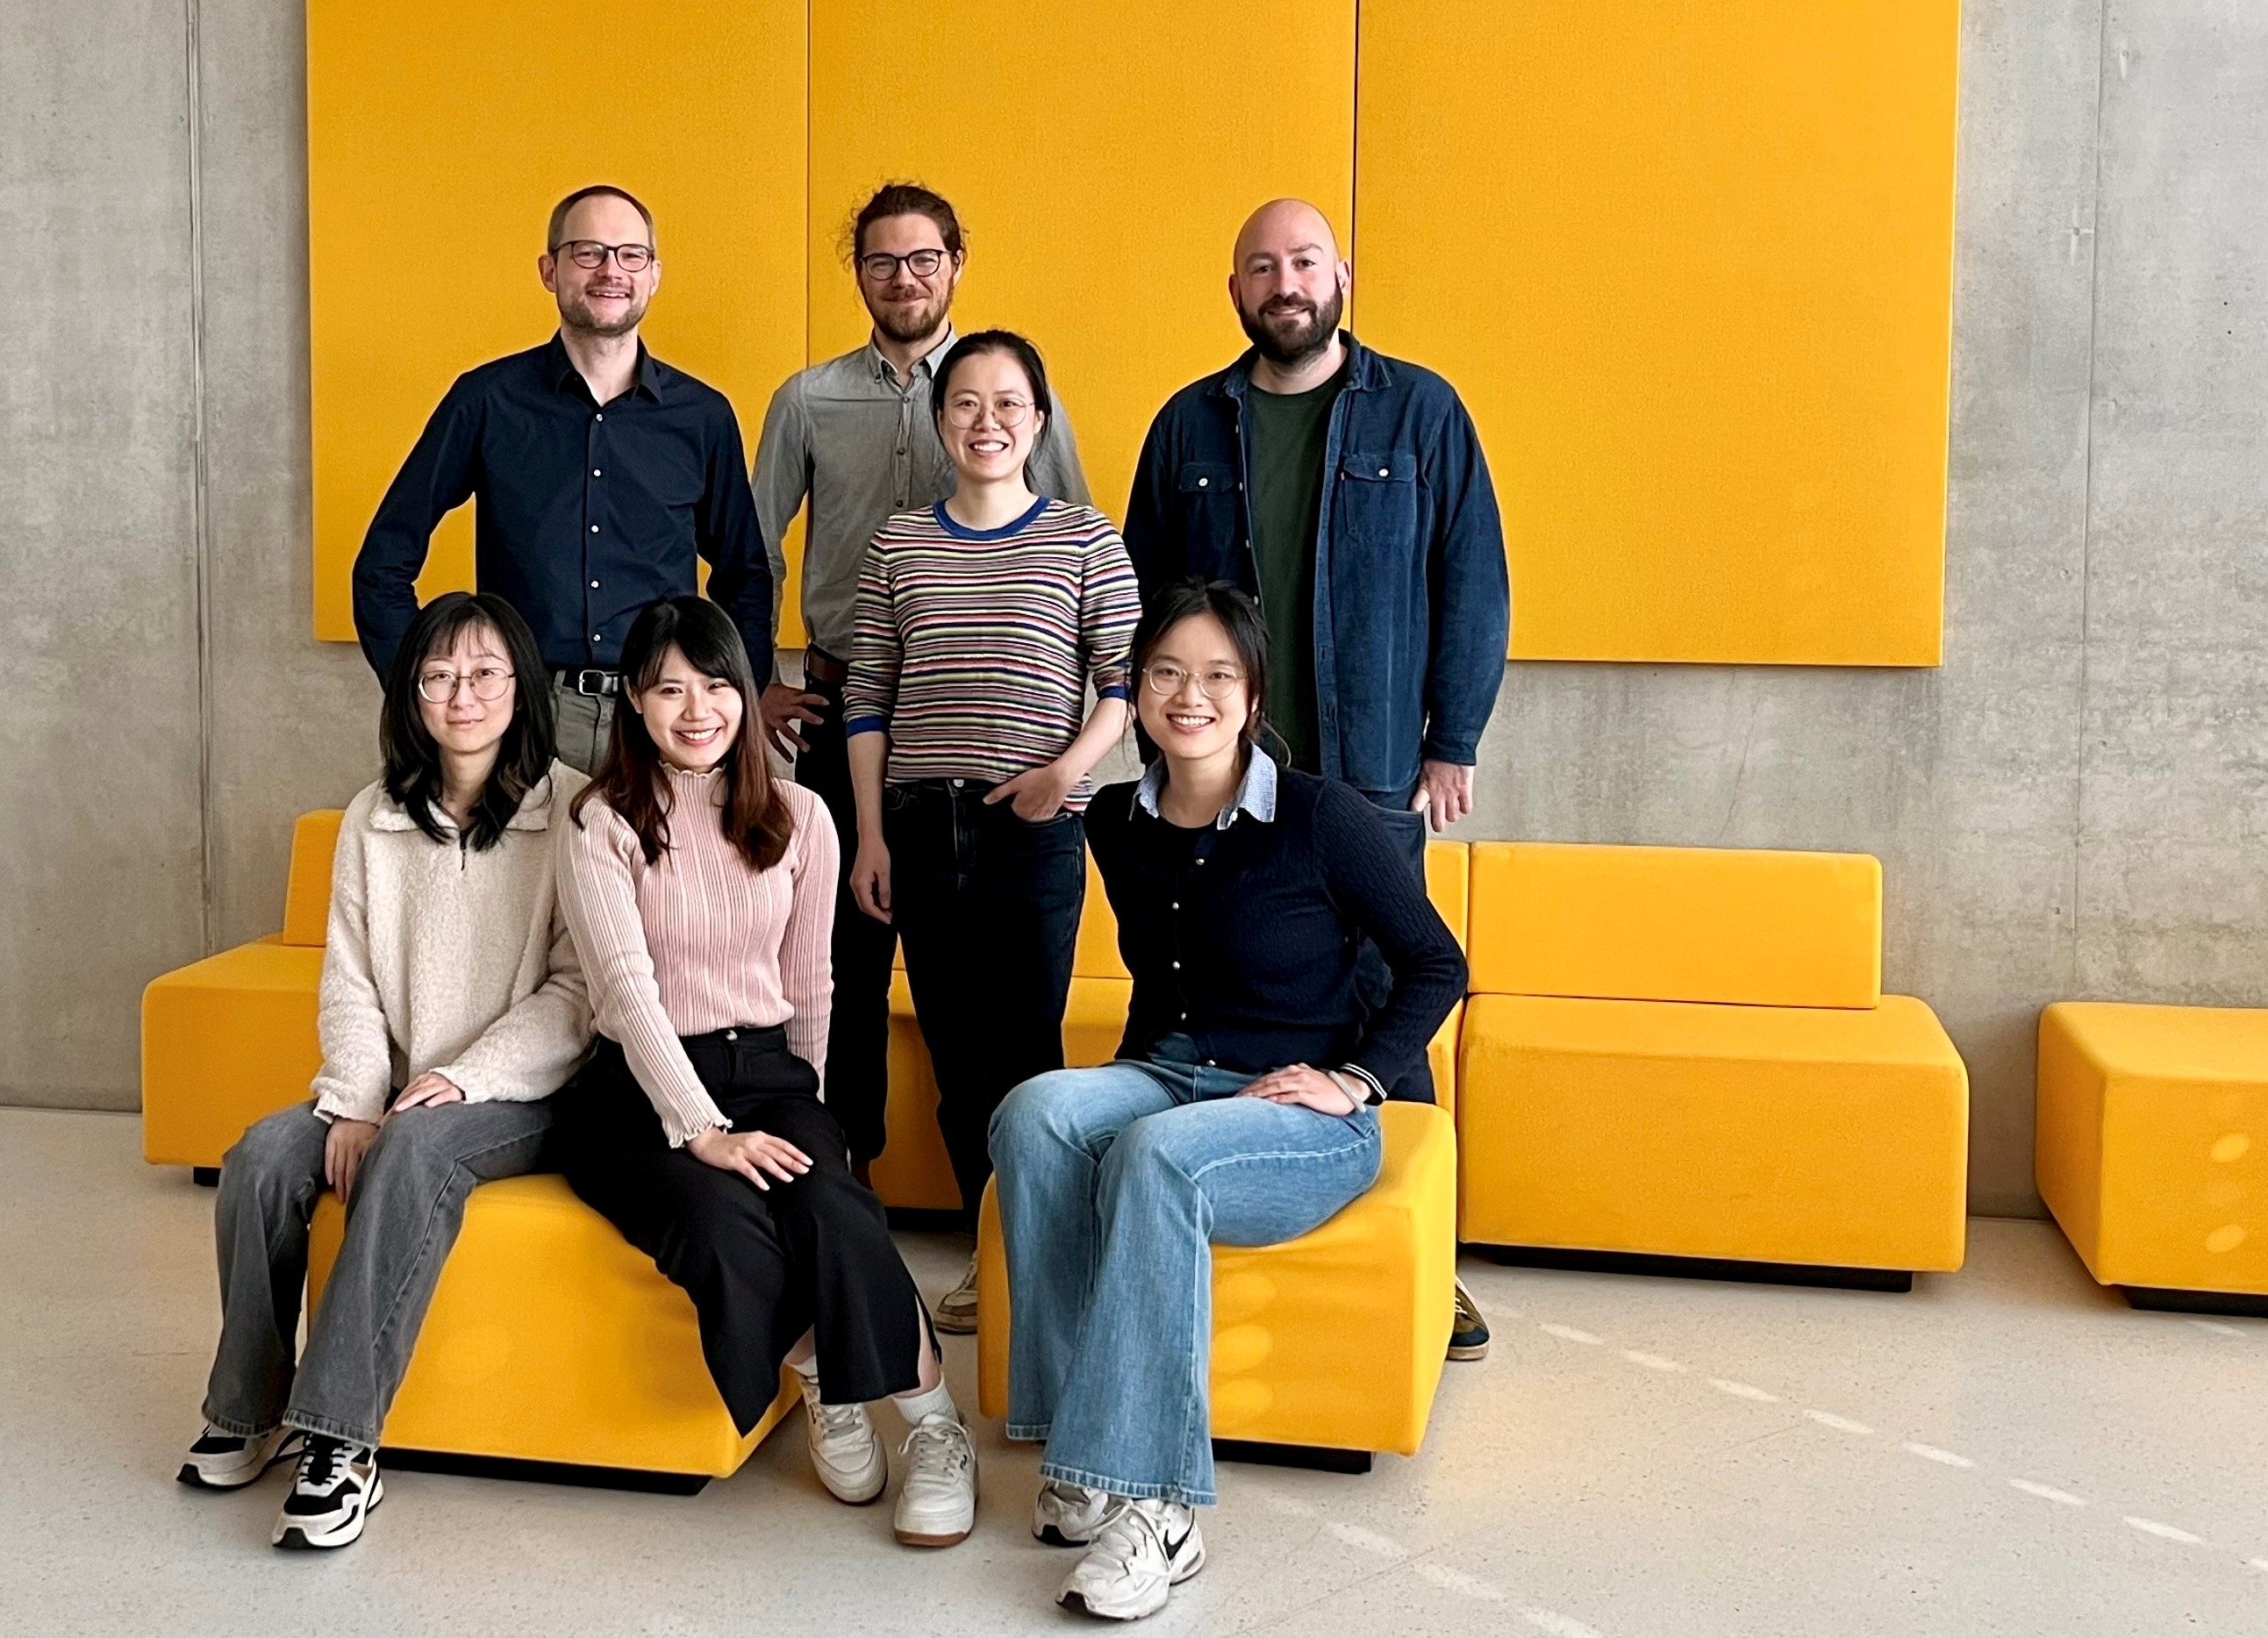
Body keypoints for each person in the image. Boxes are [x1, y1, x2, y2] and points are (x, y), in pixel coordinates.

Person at [990, 581, 1467, 1621]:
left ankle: (1160, 1509)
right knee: (1031, 1113)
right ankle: (1085, 1455)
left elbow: (1435, 963)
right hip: (1171, 1072)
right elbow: (1165, 985)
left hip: (1298, 1117)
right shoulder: (1117, 819)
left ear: (1251, 695)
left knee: (1156, 1154)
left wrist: (1356, 1081)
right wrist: (1103, 1101)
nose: (1186, 694)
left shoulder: (1319, 816)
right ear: (1135, 689)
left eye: (1215, 674)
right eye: (1163, 671)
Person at [1123, 197, 1510, 1360]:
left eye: (1302, 261)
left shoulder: (1421, 409)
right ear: (1234, 288)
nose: (1283, 282)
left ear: (1340, 272)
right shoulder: (1190, 423)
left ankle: (1424, 1258)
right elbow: (1143, 595)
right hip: (1221, 775)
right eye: (1259, 266)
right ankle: (1205, 1197)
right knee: (1214, 982)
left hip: (1374, 761)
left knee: (1397, 989)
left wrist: (1456, 735)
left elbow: (1473, 576)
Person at [554, 596, 977, 1547]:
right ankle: (830, 1382)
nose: (695, 709)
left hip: (771, 1071)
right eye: (668, 689)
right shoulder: (599, 820)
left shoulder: (800, 814)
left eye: (714, 686)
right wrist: (700, 1127)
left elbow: (809, 980)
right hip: (638, 1089)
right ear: (631, 700)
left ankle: (934, 1429)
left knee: (827, 1201)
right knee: (719, 1222)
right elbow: (623, 989)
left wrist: (811, 1114)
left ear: (746, 696)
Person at [180, 591, 591, 1551]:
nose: (461, 693)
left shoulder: (572, 806)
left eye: (484, 672)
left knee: (414, 1150)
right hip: (395, 1085)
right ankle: (248, 1406)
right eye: (438, 674)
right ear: (410, 692)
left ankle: (340, 1439)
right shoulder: (373, 816)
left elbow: (577, 994)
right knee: (262, 1156)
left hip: (522, 1094)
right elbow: (349, 979)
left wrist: (464, 1078)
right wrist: (356, 1101)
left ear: (520, 687)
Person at [751, 182, 1093, 1191]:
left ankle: (1007, 1206)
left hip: (980, 729)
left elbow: (1069, 531)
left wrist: (1069, 738)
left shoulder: (1010, 390)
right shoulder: (806, 398)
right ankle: (846, 1180)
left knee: (989, 987)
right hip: (845, 712)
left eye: (922, 259)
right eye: (880, 261)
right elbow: (747, 547)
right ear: (856, 273)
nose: (903, 278)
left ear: (954, 263)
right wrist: (756, 679)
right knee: (840, 961)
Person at [843, 330, 1139, 1334]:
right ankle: (987, 1247)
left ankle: (1038, 1256)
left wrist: (1066, 771)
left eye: (1009, 404)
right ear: (939, 422)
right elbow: (868, 698)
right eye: (965, 404)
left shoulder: (1087, 538)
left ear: (1039, 422)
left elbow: (1123, 683)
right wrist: (871, 836)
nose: (987, 423)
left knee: (1024, 1054)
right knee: (956, 1053)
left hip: (1036, 830)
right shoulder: (899, 543)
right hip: (923, 829)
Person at [353, 183, 772, 773]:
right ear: (550, 270)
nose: (611, 270)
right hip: (526, 723)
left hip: (659, 723)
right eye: (587, 252)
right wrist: (422, 697)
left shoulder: (702, 416)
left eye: (630, 254)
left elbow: (745, 577)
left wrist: (734, 708)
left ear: (653, 274)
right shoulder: (486, 402)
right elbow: (382, 566)